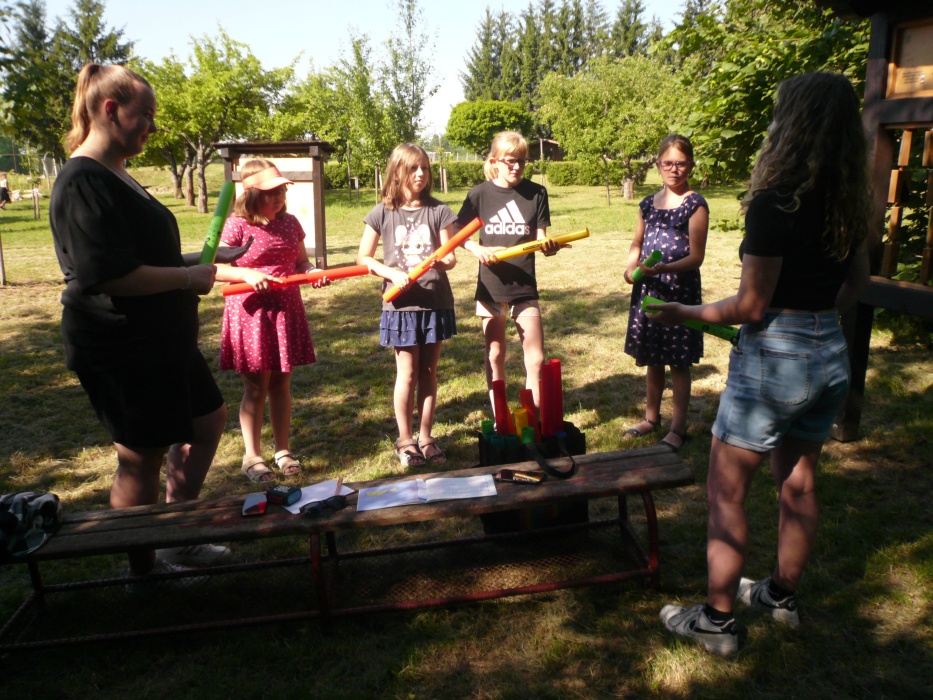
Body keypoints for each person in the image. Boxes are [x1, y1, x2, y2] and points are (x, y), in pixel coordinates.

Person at [654, 73, 872, 655]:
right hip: (830, 351)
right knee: (798, 482)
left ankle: (717, 623)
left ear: (790, 124)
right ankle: (780, 594)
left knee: (726, 490)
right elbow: (856, 285)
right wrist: (815, 321)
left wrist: (683, 312)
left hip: (776, 360)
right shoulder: (851, 201)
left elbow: (751, 306)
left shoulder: (778, 202)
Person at [49, 64, 247, 578]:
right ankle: (144, 571)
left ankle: (175, 535)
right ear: (110, 110)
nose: (153, 128)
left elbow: (141, 256)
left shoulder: (118, 173)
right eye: (146, 115)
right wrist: (186, 278)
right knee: (141, 456)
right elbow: (107, 275)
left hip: (162, 339)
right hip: (121, 344)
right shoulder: (82, 180)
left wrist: (203, 261)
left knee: (207, 421)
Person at [215, 159, 327, 483]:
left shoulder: (290, 223)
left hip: (285, 310)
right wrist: (247, 274)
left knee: (281, 383)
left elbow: (302, 262)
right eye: (270, 192)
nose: (278, 197)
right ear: (251, 194)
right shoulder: (237, 225)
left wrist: (312, 272)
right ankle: (251, 456)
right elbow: (216, 268)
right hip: (251, 314)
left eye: (281, 190)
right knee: (255, 387)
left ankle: (282, 450)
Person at [357, 143, 458, 466]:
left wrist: (441, 261)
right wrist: (390, 273)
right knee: (408, 372)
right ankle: (405, 439)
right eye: (413, 168)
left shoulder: (439, 211)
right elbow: (363, 258)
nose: (420, 174)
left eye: (425, 168)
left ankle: (426, 437)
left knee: (429, 371)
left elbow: (451, 257)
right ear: (397, 172)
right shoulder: (382, 212)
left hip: (434, 302)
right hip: (400, 307)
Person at [456, 131, 560, 420]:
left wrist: (548, 247)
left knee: (536, 359)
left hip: (524, 286)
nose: (517, 167)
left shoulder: (537, 193)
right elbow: (456, 233)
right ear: (494, 161)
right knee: (495, 355)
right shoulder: (479, 194)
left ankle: (533, 420)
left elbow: (540, 237)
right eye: (510, 161)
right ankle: (500, 419)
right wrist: (477, 249)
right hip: (491, 287)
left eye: (522, 161)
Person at [622, 134, 709, 451]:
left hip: (678, 291)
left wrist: (663, 268)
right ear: (658, 165)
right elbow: (637, 241)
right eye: (668, 163)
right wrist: (631, 266)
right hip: (648, 288)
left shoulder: (695, 204)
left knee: (678, 361)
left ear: (691, 165)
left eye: (681, 163)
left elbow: (696, 257)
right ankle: (651, 418)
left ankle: (678, 428)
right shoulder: (647, 203)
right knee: (653, 357)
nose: (674, 169)